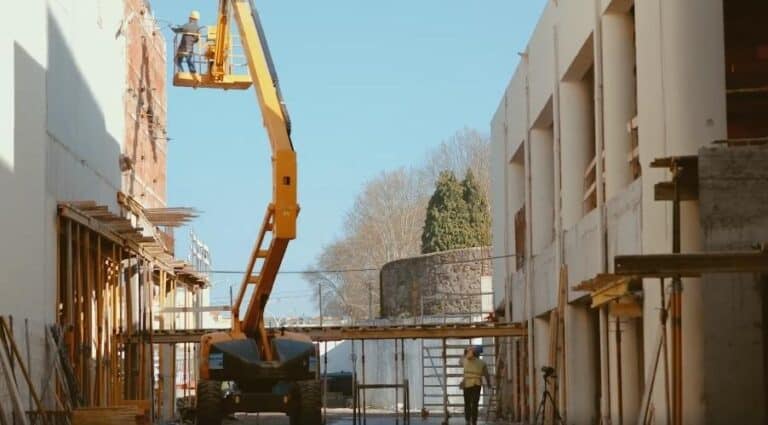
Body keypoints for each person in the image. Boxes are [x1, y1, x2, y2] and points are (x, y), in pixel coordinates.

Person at [461, 345, 491, 425]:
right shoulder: (482, 363)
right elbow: (486, 375)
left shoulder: (465, 360)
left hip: (467, 384)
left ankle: (467, 420)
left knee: (467, 403)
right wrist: (489, 383)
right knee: (475, 404)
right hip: (477, 385)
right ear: (479, 354)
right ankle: (474, 421)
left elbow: (461, 360)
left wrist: (466, 351)